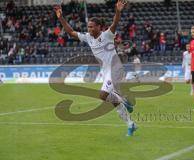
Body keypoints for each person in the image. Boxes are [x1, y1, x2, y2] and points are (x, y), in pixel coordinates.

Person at [54, 0, 137, 136]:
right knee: (113, 102)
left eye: (92, 27)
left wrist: (118, 10)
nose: (89, 29)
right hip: (105, 72)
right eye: (88, 27)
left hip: (115, 68)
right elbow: (70, 32)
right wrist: (61, 17)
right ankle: (130, 124)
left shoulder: (107, 35)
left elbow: (115, 23)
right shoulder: (88, 37)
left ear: (99, 27)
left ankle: (125, 100)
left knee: (103, 95)